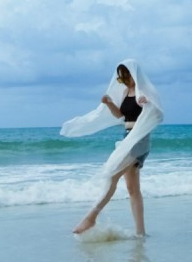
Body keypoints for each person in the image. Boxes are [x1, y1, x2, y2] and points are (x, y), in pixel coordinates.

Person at [60, 59, 163, 236]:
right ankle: (141, 233)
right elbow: (121, 116)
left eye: (127, 76)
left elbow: (159, 114)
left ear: (134, 74)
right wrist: (109, 103)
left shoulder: (146, 91)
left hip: (140, 139)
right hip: (127, 137)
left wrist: (147, 104)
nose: (125, 80)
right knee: (132, 189)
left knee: (112, 175)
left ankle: (91, 218)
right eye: (122, 78)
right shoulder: (125, 92)